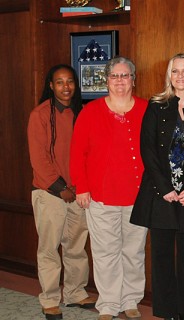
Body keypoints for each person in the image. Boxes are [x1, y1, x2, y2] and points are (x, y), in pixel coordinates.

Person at [130, 53, 184, 320]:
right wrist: (164, 187)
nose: (180, 76)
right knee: (162, 256)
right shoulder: (157, 106)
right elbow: (148, 150)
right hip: (161, 194)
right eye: (175, 71)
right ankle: (167, 312)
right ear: (169, 76)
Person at [70, 57, 148, 320]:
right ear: (106, 80)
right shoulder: (90, 112)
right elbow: (77, 153)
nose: (120, 81)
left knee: (134, 252)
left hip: (138, 196)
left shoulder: (147, 110)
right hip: (100, 197)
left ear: (133, 80)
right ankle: (108, 304)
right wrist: (81, 187)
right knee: (105, 253)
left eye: (125, 76)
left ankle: (130, 300)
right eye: (114, 76)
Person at [27, 64, 96, 320]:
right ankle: (49, 299)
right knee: (49, 248)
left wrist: (80, 187)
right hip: (49, 193)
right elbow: (39, 158)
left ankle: (76, 293)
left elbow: (89, 152)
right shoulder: (40, 114)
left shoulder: (83, 112)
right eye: (59, 82)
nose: (65, 87)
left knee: (76, 247)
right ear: (50, 85)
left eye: (70, 82)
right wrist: (60, 188)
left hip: (78, 193)